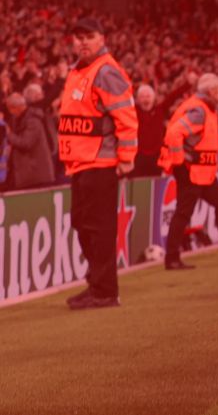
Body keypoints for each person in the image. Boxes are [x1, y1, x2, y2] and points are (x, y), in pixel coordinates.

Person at [57, 18, 137, 310]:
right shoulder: (79, 71)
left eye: (88, 36)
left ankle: (105, 291)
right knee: (82, 224)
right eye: (77, 38)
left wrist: (126, 159)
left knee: (99, 228)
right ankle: (97, 284)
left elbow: (126, 118)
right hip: (80, 162)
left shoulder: (106, 72)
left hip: (100, 162)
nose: (82, 43)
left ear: (102, 38)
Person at [160, 73, 218, 269]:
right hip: (191, 171)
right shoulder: (199, 110)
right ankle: (171, 259)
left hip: (202, 173)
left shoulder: (205, 108)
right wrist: (179, 161)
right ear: (212, 91)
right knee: (183, 213)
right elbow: (174, 133)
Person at [3, 92, 55, 189]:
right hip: (25, 173)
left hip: (36, 174)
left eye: (11, 109)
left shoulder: (33, 121)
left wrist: (9, 134)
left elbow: (26, 143)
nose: (10, 112)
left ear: (17, 107)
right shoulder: (17, 119)